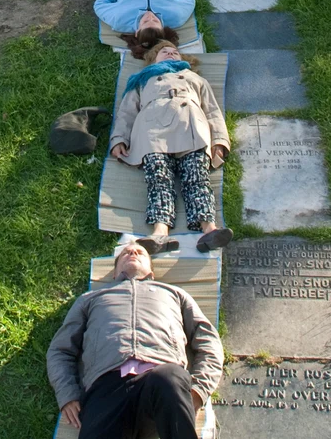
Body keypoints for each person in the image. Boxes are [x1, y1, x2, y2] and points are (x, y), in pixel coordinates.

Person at [47, 242, 224, 439]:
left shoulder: (174, 294)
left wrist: (200, 388)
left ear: (151, 271)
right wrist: (67, 394)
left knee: (169, 376)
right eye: (125, 253)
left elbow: (209, 341)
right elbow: (60, 350)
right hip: (106, 387)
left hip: (161, 380)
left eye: (140, 252)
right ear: (114, 273)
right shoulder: (91, 298)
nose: (132, 252)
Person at [111, 41, 232, 255]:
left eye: (175, 52)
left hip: (191, 125)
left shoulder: (196, 79)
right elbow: (126, 112)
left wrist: (219, 141)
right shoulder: (141, 81)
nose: (170, 53)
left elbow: (213, 111)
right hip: (152, 129)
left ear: (184, 59)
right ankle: (160, 232)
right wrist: (119, 138)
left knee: (197, 177)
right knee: (158, 178)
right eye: (163, 51)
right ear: (152, 58)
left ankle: (209, 229)